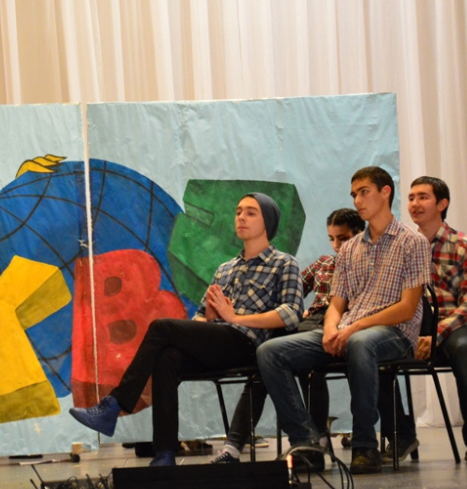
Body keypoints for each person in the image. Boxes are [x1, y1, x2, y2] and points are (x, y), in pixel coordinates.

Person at [68, 193, 302, 467]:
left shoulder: (283, 263)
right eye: (238, 211)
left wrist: (236, 318)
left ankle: (114, 405)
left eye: (251, 213)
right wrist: (210, 318)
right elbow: (201, 317)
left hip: (251, 346)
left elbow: (291, 313)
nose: (241, 217)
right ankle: (165, 453)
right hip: (219, 341)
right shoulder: (225, 269)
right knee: (166, 358)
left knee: (161, 327)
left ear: (267, 222)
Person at [257, 167, 430, 474]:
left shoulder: (412, 242)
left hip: (394, 333)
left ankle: (365, 445)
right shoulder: (350, 248)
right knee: (270, 352)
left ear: (385, 192)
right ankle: (307, 441)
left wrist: (353, 328)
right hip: (350, 329)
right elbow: (336, 304)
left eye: (364, 192)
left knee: (361, 343)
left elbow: (407, 308)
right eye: (354, 195)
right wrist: (329, 330)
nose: (357, 200)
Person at [210, 208, 366, 464]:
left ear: (359, 234)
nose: (337, 245)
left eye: (343, 238)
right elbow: (290, 291)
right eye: (332, 238)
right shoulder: (324, 264)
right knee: (263, 366)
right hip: (309, 324)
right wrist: (292, 310)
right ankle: (234, 446)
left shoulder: (367, 264)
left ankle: (314, 439)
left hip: (343, 327)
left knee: (307, 367)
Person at [377, 176, 467, 464]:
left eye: (423, 197)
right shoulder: (401, 246)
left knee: (463, 348)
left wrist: (435, 333)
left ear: (442, 204)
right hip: (414, 330)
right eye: (411, 198)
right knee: (371, 351)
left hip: (459, 327)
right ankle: (401, 434)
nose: (415, 204)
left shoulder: (464, 245)